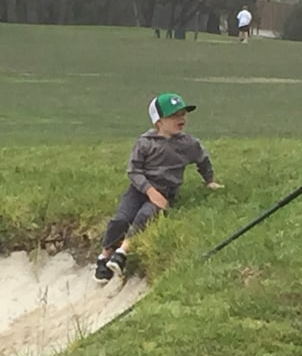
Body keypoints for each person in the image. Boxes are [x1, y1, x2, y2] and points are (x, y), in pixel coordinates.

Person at [94, 93, 223, 284]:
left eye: (183, 114)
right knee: (121, 219)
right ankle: (104, 256)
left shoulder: (189, 144)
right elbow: (134, 171)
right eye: (174, 116)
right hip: (139, 190)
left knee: (145, 216)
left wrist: (209, 180)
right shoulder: (145, 143)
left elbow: (202, 160)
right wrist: (149, 191)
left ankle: (123, 252)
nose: (181, 119)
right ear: (159, 121)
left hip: (165, 191)